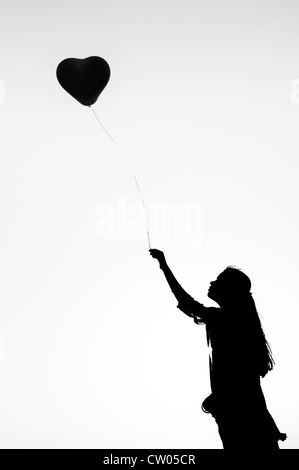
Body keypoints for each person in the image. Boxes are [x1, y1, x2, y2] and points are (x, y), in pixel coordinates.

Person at [149, 248, 287, 451]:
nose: (213, 283)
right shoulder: (236, 321)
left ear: (229, 290)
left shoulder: (224, 319)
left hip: (240, 420)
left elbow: (187, 303)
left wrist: (164, 265)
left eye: (219, 280)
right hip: (252, 420)